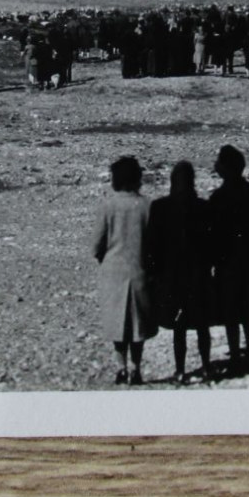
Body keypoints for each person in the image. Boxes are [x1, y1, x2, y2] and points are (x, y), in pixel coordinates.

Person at [90, 156, 157, 385]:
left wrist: (103, 259)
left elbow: (96, 244)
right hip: (140, 270)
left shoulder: (107, 206)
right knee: (138, 326)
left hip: (113, 271)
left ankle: (121, 367)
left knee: (117, 324)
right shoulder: (147, 206)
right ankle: (136, 367)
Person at [147, 161, 216, 384]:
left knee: (179, 326)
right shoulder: (204, 207)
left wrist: (155, 273)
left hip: (172, 275)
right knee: (202, 324)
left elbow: (153, 245)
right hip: (198, 274)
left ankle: (180, 370)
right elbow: (211, 243)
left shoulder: (159, 208)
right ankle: (206, 366)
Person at [208, 145, 249, 371]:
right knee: (248, 298)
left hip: (225, 251)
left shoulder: (217, 197)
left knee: (231, 302)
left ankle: (235, 352)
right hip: (246, 246)